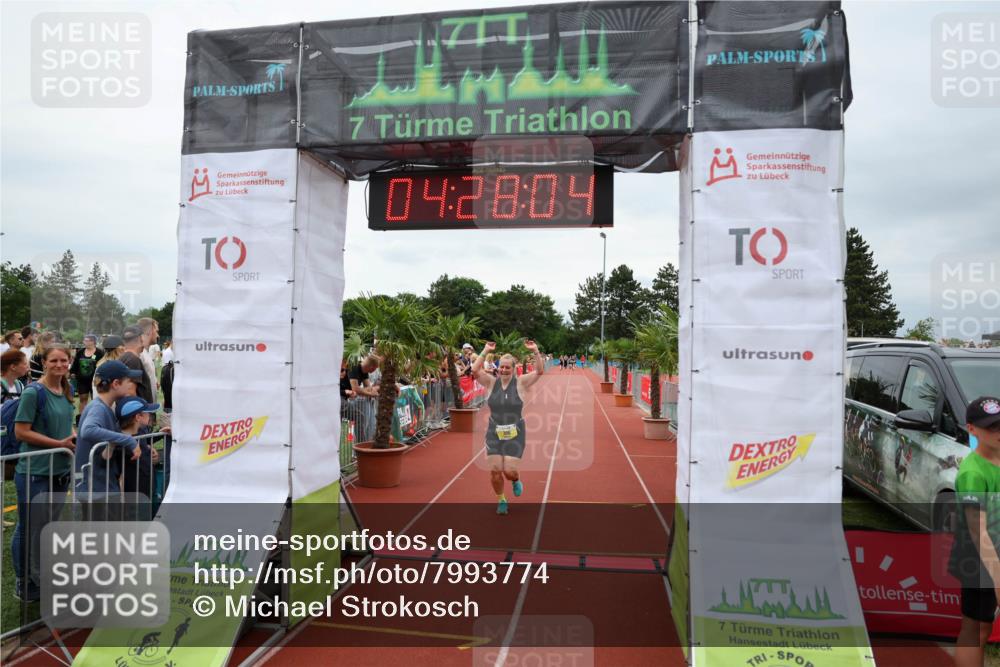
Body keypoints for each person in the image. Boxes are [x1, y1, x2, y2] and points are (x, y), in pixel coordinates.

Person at [11, 344, 76, 601]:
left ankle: (41, 576)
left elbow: (64, 423)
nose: (59, 365)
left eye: (64, 360)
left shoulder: (65, 389)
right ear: (44, 362)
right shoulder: (33, 392)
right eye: (54, 361)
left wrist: (72, 436)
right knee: (28, 528)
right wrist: (59, 444)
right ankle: (24, 582)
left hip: (59, 471)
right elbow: (21, 432)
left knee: (47, 528)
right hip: (35, 473)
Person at [950, 396, 1000, 667]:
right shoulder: (973, 473)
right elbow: (977, 530)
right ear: (972, 430)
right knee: (976, 629)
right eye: (991, 427)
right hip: (981, 560)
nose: (998, 432)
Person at [471, 340, 545, 515]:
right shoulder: (490, 382)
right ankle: (501, 499)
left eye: (507, 368)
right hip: (494, 432)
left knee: (509, 471)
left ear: (513, 369)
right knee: (496, 471)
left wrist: (535, 350)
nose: (504, 370)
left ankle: (515, 479)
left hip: (515, 432)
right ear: (498, 368)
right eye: (502, 367)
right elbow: (474, 370)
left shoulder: (520, 383)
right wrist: (485, 350)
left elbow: (540, 371)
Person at [75, 361, 143, 499]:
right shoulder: (98, 408)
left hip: (101, 486)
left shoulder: (105, 407)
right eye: (128, 381)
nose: (131, 385)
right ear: (116, 384)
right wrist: (128, 440)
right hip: (95, 489)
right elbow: (88, 430)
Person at [70, 334, 104, 415]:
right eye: (84, 340)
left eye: (87, 340)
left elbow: (103, 365)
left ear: (93, 342)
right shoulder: (80, 352)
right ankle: (82, 417)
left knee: (95, 399)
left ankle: (95, 417)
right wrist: (72, 372)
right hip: (82, 380)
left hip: (95, 381)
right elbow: (75, 363)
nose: (85, 342)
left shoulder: (99, 352)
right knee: (83, 399)